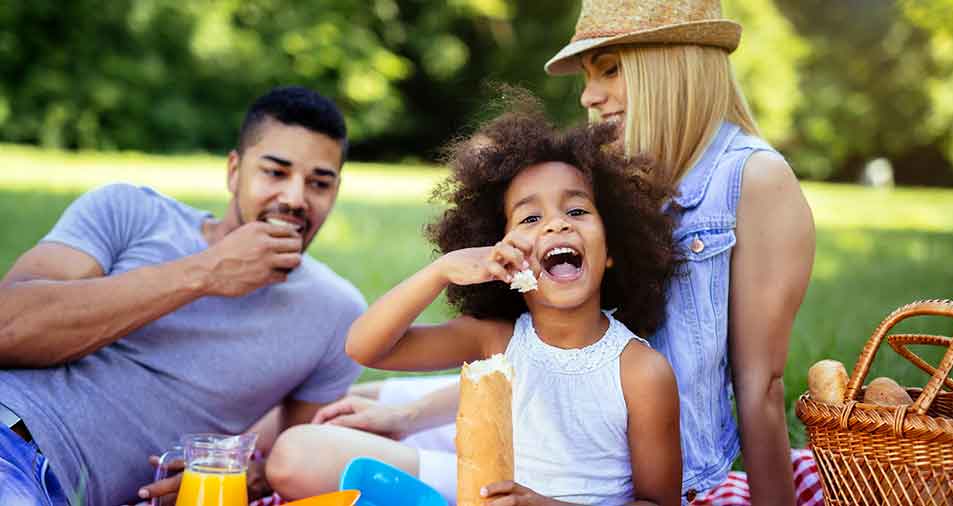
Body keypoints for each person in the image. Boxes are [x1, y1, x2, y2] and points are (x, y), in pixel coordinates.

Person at [309, 0, 820, 504]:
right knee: (345, 405)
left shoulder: (753, 180)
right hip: (538, 422)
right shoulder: (620, 167)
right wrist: (409, 414)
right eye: (531, 218)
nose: (588, 98)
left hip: (623, 456)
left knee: (302, 454)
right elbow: (543, 362)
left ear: (674, 63)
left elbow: (761, 389)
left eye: (610, 70)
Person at [266, 104, 684, 505]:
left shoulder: (641, 371)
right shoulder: (496, 340)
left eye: (576, 210)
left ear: (613, 247)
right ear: (502, 249)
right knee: (304, 447)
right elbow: (365, 347)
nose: (558, 223)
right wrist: (442, 271)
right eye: (530, 219)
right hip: (479, 487)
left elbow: (657, 502)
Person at [0, 86, 366, 506]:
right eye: (275, 172)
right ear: (234, 171)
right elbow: (6, 329)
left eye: (319, 183)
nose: (295, 199)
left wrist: (255, 475)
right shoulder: (130, 212)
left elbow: (293, 454)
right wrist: (206, 272)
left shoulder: (337, 315)